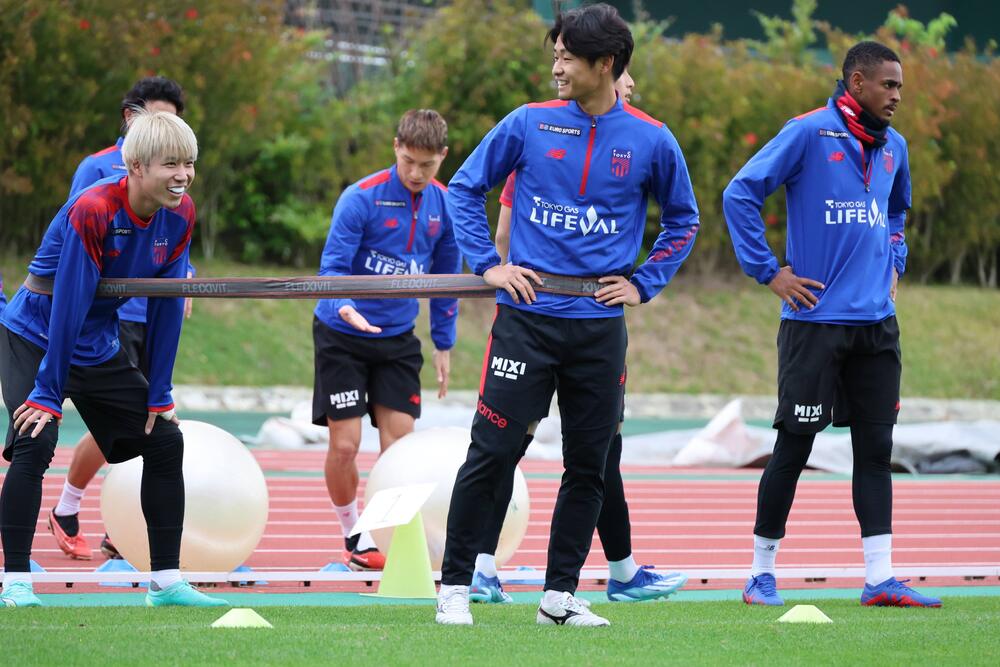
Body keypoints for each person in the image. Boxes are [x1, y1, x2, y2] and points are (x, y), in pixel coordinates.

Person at [436, 3, 700, 626]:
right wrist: (488, 264)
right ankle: (454, 586)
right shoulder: (528, 122)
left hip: (599, 329)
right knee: (491, 453)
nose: (556, 67)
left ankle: (559, 596)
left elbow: (683, 221)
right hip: (526, 320)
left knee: (589, 465)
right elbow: (465, 188)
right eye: (554, 55)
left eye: (567, 58)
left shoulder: (652, 138)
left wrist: (644, 283)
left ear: (605, 64)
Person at [723, 41, 940, 608]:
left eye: (900, 86)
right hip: (814, 323)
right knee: (794, 447)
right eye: (888, 84)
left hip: (878, 327)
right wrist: (769, 272)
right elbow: (739, 193)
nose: (897, 95)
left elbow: (896, 211)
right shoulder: (807, 132)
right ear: (857, 82)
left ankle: (879, 578)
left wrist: (895, 259)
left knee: (875, 450)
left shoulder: (895, 147)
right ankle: (760, 574)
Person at [0, 111, 226, 608]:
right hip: (37, 334)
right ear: (137, 167)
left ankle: (165, 583)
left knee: (164, 441)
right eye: (171, 164)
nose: (183, 175)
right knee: (35, 439)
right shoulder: (94, 207)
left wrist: (159, 391)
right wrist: (47, 392)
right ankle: (15, 581)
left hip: (96, 341)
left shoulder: (182, 213)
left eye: (189, 163)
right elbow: (69, 303)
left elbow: (167, 304)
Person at [48, 76, 195, 562]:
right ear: (132, 119)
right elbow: (78, 236)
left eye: (174, 122)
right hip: (105, 317)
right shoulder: (96, 169)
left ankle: (125, 528)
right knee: (110, 421)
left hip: (148, 310)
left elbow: (169, 239)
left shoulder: (178, 188)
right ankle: (68, 505)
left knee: (150, 422)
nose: (165, 131)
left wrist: (182, 279)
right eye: (156, 119)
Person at [312, 109, 460, 571]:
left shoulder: (446, 205)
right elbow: (332, 269)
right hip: (343, 332)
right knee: (345, 445)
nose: (416, 173)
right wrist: (344, 305)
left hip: (397, 338)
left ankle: (385, 534)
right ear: (396, 147)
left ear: (443, 156)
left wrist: (443, 342)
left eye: (427, 165)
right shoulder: (360, 198)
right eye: (408, 161)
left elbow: (446, 278)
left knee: (400, 449)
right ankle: (353, 533)